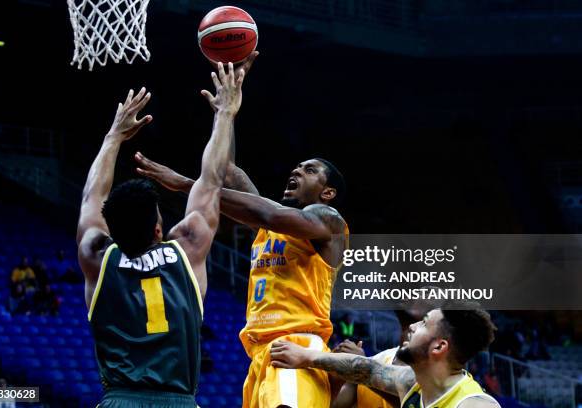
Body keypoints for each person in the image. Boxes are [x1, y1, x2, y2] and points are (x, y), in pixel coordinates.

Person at [135, 56, 347, 406]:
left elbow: (268, 213)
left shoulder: (328, 220)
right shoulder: (269, 228)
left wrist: (186, 184)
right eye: (296, 166)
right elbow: (227, 169)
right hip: (260, 353)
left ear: (327, 192)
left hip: (298, 346)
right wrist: (228, 108)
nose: (296, 171)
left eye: (309, 170)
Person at [76, 62, 245, 408]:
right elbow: (211, 180)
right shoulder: (188, 246)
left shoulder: (96, 255)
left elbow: (92, 196)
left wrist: (113, 137)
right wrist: (225, 113)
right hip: (178, 400)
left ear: (112, 228)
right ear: (158, 228)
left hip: (119, 400)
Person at [270, 302, 501, 408]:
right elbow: (366, 368)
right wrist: (306, 356)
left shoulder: (474, 405)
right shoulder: (413, 383)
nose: (412, 327)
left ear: (439, 347)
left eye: (423, 324)